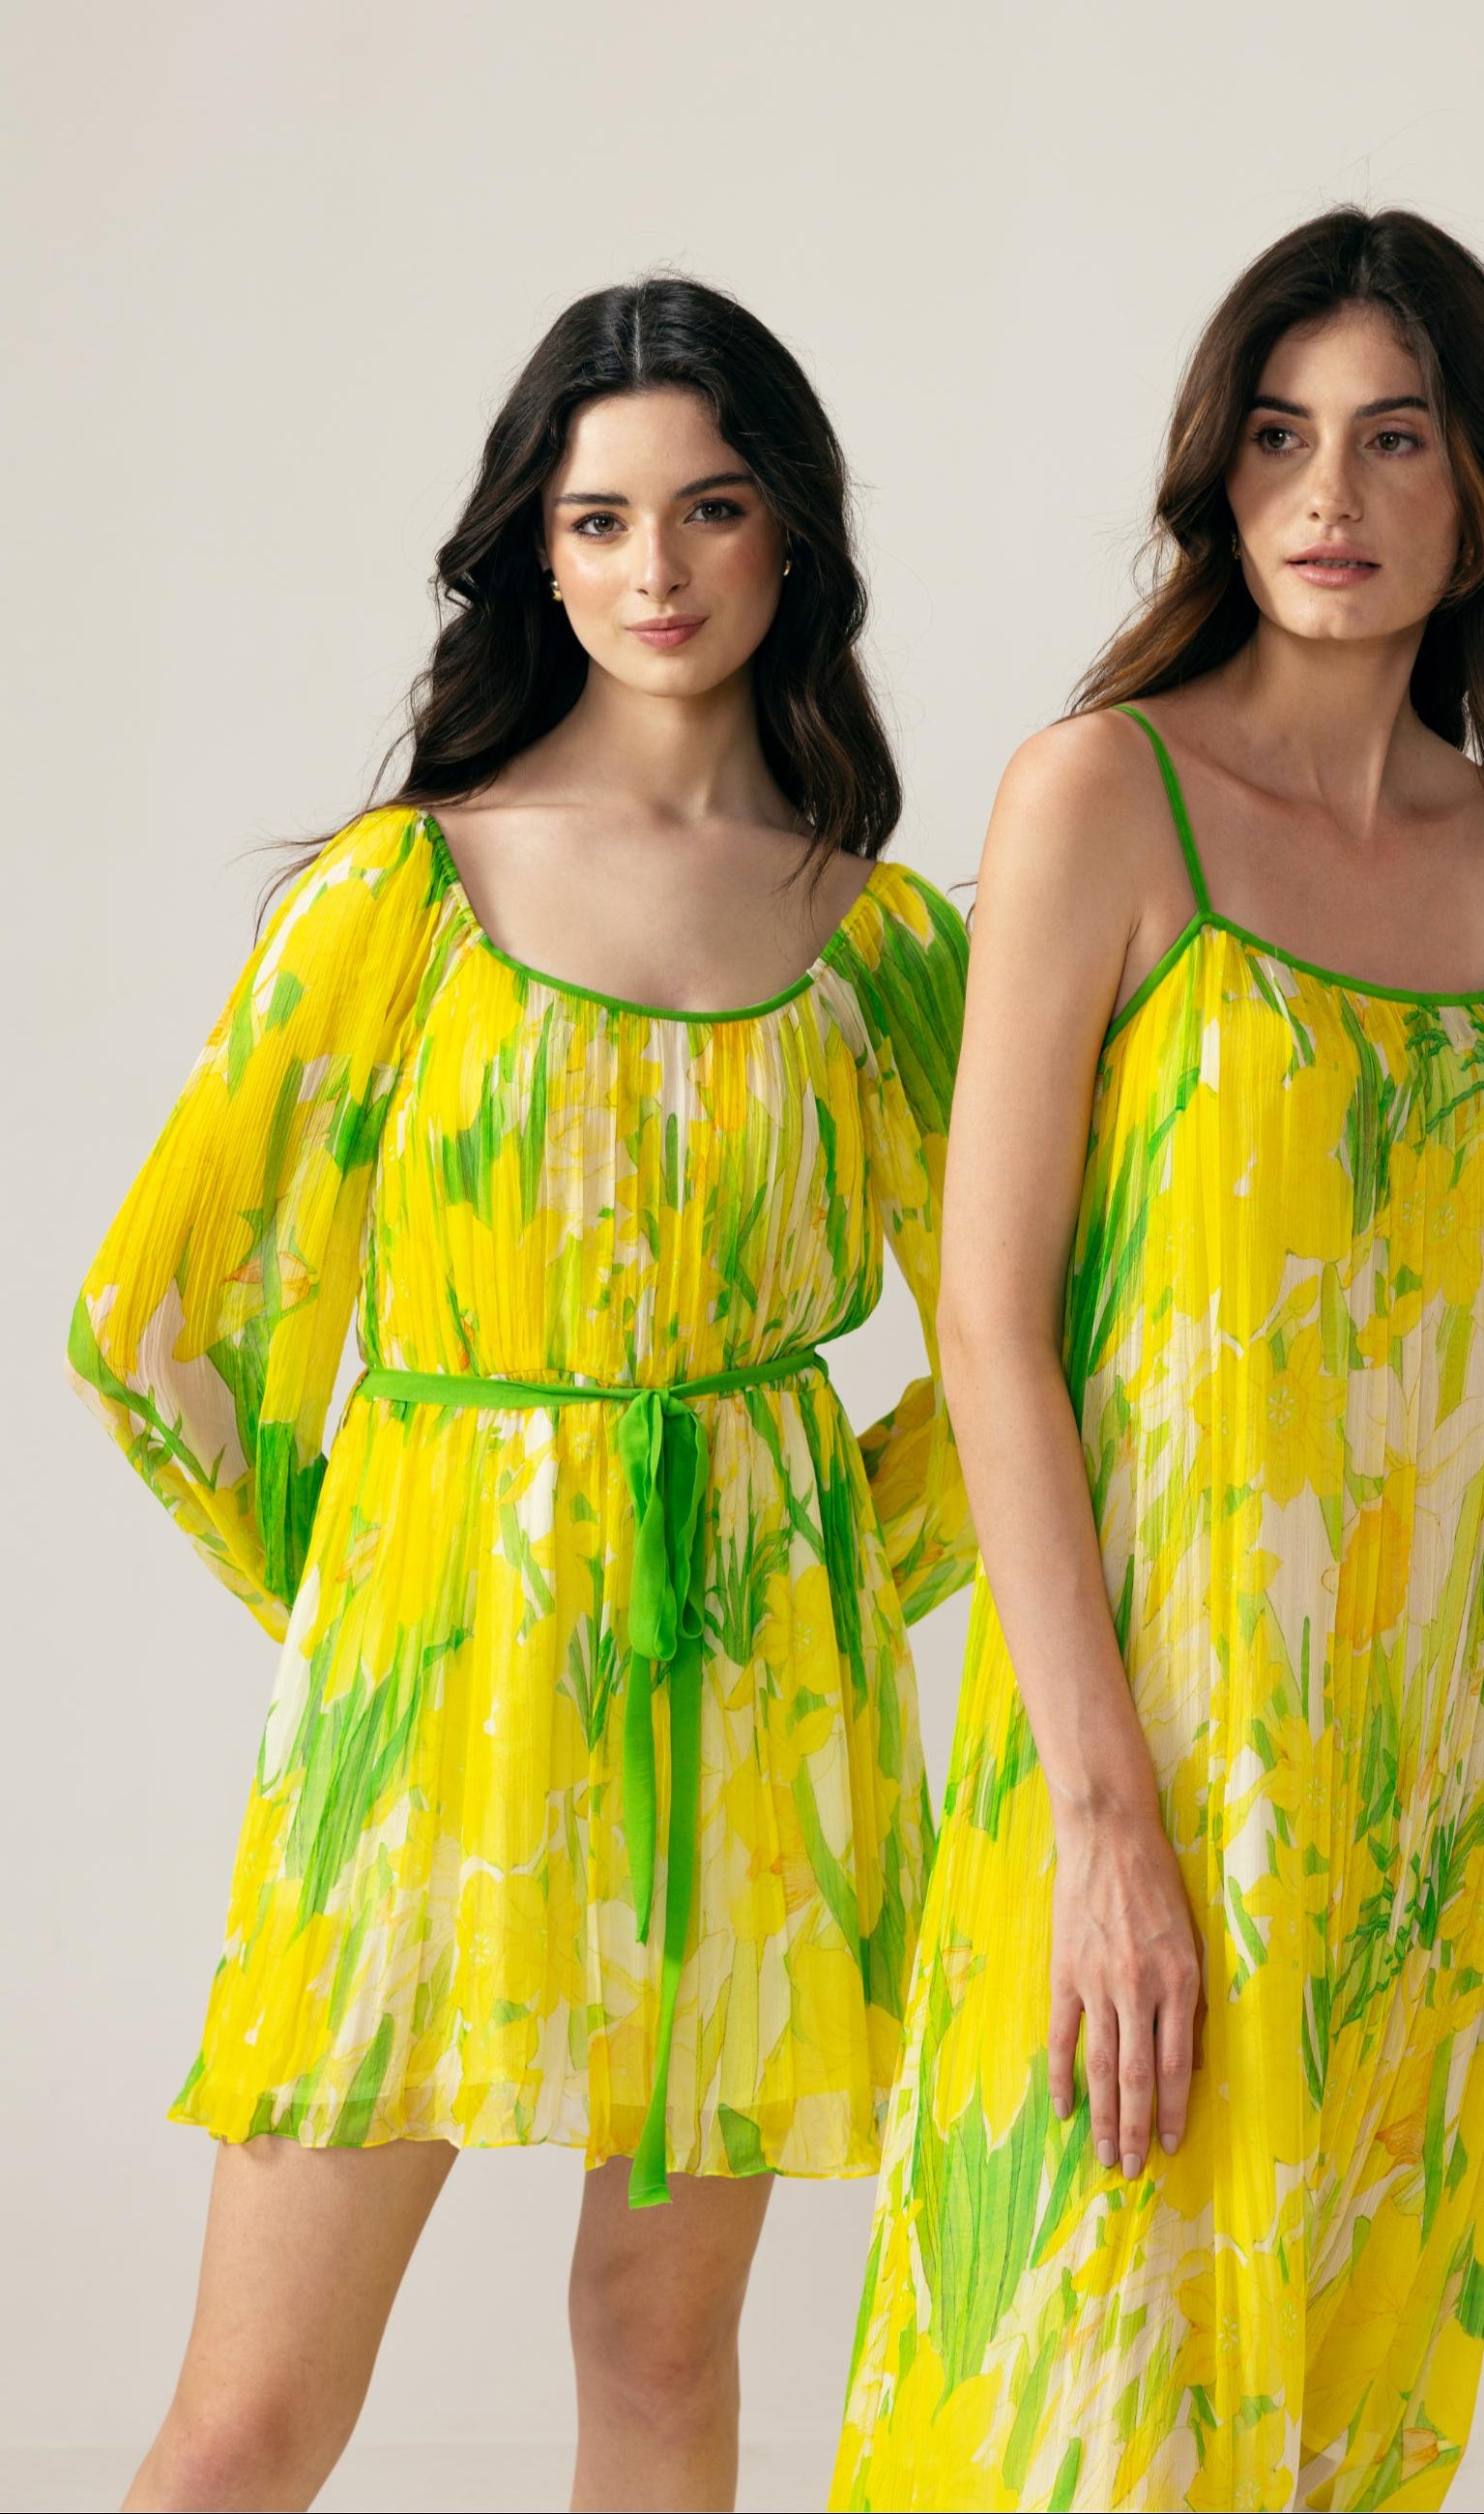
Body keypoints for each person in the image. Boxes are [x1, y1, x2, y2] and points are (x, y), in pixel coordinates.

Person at [70, 275, 973, 2514]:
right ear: (535, 554)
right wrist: (377, 1602)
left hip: (747, 1728)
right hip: (428, 1705)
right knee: (249, 2419)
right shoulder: (404, 893)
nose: (656, 568)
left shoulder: (882, 944)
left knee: (660, 2354)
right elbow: (155, 1318)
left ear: (792, 537)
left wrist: (819, 1581)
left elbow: (1025, 1359)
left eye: (711, 506)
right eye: (599, 518)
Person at [834, 208, 1484, 2513]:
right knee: (1068, 2426)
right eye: (1282, 436)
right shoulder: (1103, 797)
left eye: (1394, 439)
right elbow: (990, 1324)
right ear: (1220, 474)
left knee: (1335, 2452)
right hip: (1154, 1768)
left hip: (1425, 1813)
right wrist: (1104, 1827)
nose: (1329, 492)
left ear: (1479, 489)